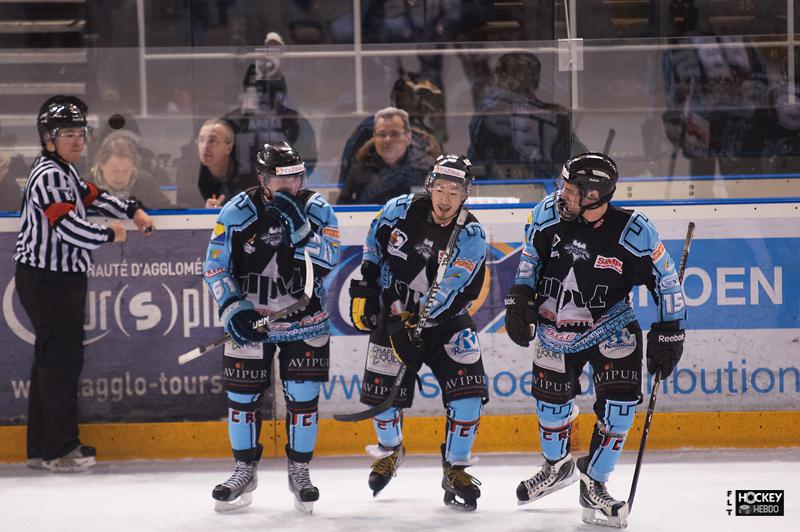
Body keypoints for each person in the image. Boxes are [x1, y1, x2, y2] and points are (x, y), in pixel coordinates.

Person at [503, 152, 687, 528]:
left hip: (611, 326)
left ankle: (595, 484)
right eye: (564, 186)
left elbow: (667, 281)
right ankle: (557, 466)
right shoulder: (546, 214)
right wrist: (519, 296)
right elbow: (529, 260)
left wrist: (670, 330)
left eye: (572, 190)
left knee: (620, 408)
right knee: (550, 411)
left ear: (594, 194)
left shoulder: (634, 231)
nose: (563, 194)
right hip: (554, 326)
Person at [13, 95, 154, 473]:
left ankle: (42, 447)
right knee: (61, 361)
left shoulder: (63, 171)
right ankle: (59, 449)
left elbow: (93, 196)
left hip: (54, 279)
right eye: (68, 134)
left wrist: (132, 209)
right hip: (49, 280)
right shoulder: (49, 175)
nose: (78, 140)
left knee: (52, 359)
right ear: (48, 137)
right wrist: (109, 234)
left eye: (81, 133)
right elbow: (68, 227)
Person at [203, 141, 340, 514]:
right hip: (253, 322)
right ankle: (244, 470)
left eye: (296, 177)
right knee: (241, 398)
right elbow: (214, 266)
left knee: (303, 398)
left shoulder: (318, 210)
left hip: (304, 321)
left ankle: (300, 471)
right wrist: (234, 308)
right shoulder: (237, 211)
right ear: (263, 180)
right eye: (281, 179)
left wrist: (300, 229)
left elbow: (329, 260)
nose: (290, 185)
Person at [348, 154, 488, 510]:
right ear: (429, 186)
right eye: (440, 188)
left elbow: (448, 290)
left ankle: (455, 467)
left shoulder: (471, 234)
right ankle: (390, 451)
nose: (446, 198)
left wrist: (414, 327)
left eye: (454, 191)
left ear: (466, 194)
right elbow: (373, 245)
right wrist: (368, 285)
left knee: (469, 395)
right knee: (379, 396)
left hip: (447, 322)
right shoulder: (398, 210)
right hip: (396, 312)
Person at [468, 52, 584, 180]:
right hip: (498, 186)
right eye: (507, 75)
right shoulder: (488, 116)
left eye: (520, 75)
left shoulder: (555, 116)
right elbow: (477, 164)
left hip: (547, 185)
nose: (512, 82)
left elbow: (576, 158)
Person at [338, 107, 438, 204]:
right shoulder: (359, 171)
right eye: (381, 134)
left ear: (408, 138)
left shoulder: (428, 169)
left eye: (394, 134)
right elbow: (343, 209)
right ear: (374, 138)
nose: (388, 140)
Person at [88, 133, 171, 209]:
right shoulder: (85, 185)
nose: (120, 177)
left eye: (126, 171)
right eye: (115, 170)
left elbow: (165, 210)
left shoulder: (146, 182)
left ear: (133, 167)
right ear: (102, 165)